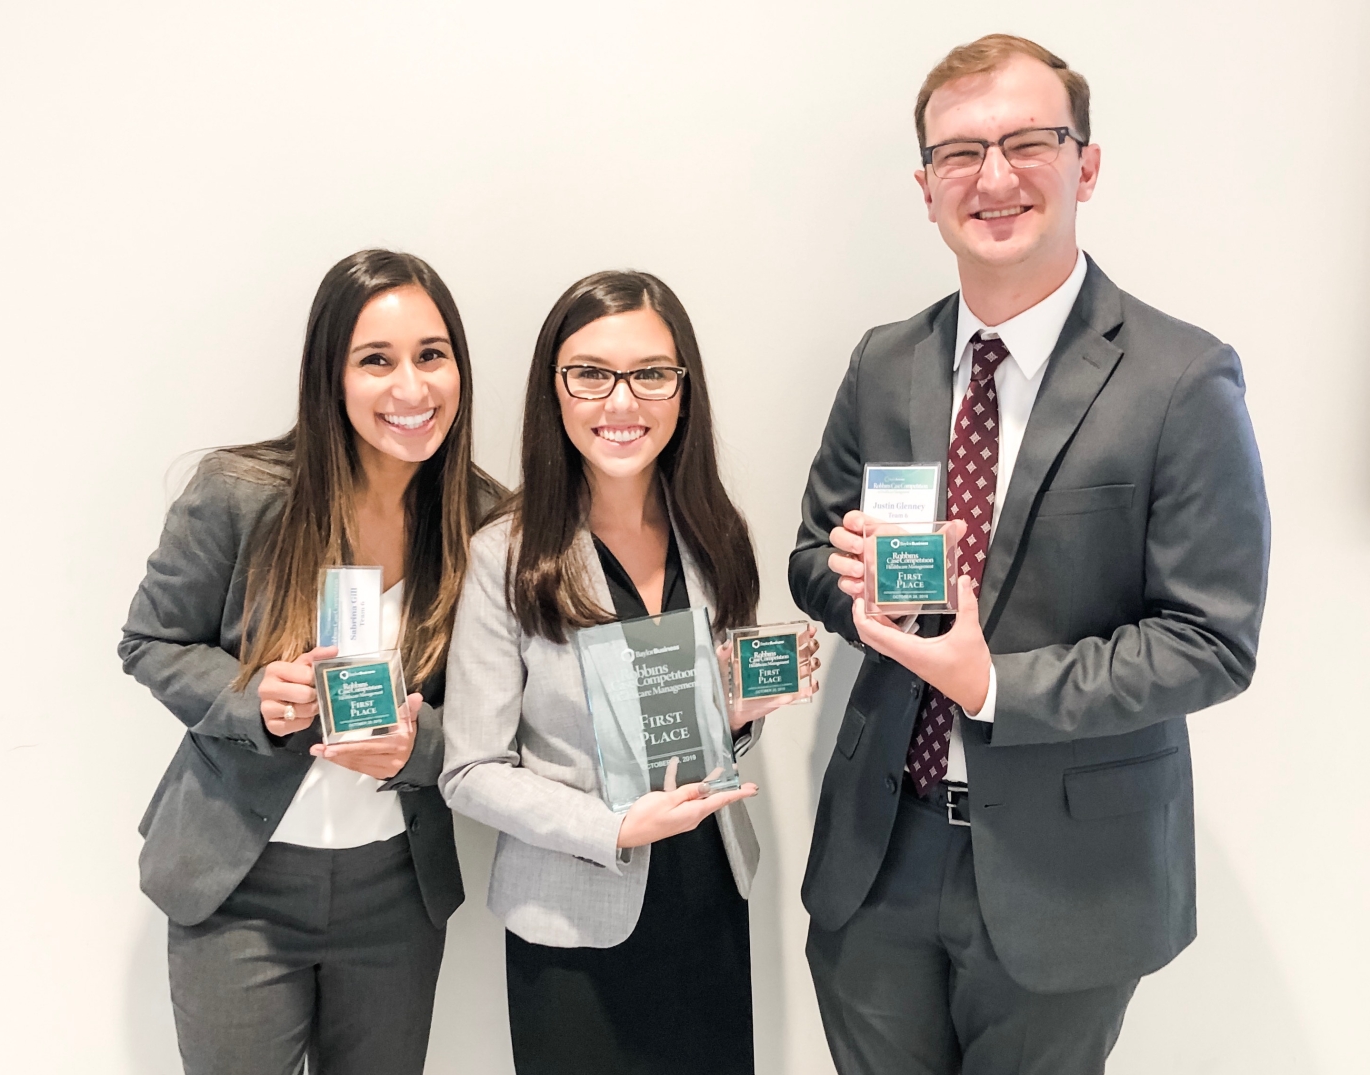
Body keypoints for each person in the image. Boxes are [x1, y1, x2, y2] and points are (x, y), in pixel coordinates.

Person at [789, 34, 1270, 1074]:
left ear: (1085, 165)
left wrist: (993, 683)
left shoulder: (1183, 379)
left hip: (1071, 878)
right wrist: (855, 588)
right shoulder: (884, 363)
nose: (994, 177)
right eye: (960, 153)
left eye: (1027, 141)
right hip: (879, 854)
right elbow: (809, 551)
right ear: (925, 188)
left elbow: (1210, 642)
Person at [120, 249, 501, 1075]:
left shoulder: (485, 521)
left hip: (396, 894)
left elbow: (507, 709)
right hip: (239, 887)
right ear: (331, 374)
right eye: (377, 360)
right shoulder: (238, 492)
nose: (412, 388)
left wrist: (420, 746)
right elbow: (149, 642)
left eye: (433, 356)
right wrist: (251, 697)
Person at [441, 270, 818, 1075]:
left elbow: (701, 727)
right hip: (574, 918)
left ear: (683, 391)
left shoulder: (714, 533)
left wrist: (739, 711)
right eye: (591, 374)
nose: (622, 402)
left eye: (651, 374)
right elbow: (471, 769)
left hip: (707, 896)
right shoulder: (501, 557)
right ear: (556, 390)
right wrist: (613, 826)